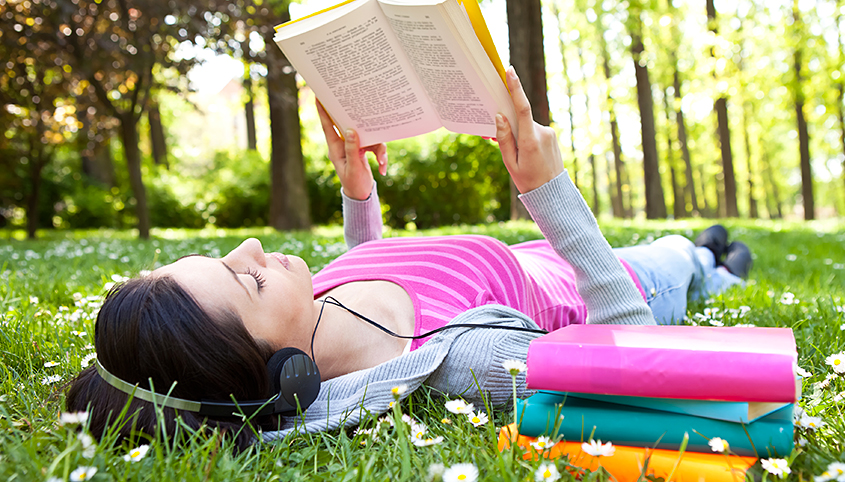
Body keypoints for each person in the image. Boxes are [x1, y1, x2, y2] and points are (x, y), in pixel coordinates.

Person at [66, 67, 752, 448]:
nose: (251, 249)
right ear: (283, 371)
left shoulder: (309, 307)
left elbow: (370, 274)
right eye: (243, 279)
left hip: (529, 253)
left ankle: (709, 257)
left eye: (223, 254)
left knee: (682, 249)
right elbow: (632, 361)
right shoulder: (461, 362)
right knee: (675, 256)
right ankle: (713, 265)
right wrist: (551, 193)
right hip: (595, 272)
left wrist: (357, 192)